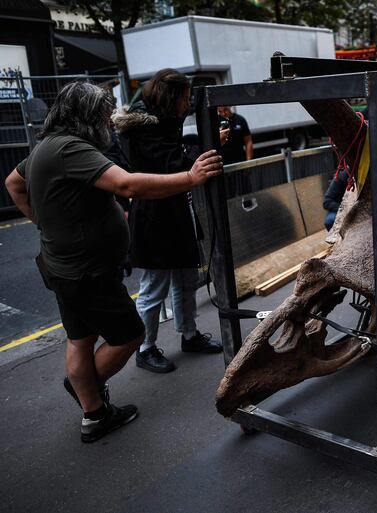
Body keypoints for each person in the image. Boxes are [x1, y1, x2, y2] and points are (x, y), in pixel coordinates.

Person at [3, 81, 223, 442]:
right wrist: (190, 177)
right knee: (129, 336)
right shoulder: (71, 147)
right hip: (87, 272)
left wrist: (45, 222)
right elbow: (127, 186)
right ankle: (87, 391)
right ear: (86, 116)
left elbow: (13, 182)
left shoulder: (48, 146)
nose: (109, 118)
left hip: (65, 266)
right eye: (104, 113)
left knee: (81, 339)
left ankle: (94, 413)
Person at [113, 68, 228, 373]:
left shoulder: (162, 122)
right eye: (186, 98)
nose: (188, 104)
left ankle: (189, 335)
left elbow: (177, 154)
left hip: (176, 210)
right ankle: (145, 347)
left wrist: (205, 144)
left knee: (186, 279)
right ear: (172, 97)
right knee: (154, 287)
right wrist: (206, 147)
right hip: (153, 217)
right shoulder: (145, 128)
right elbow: (171, 161)